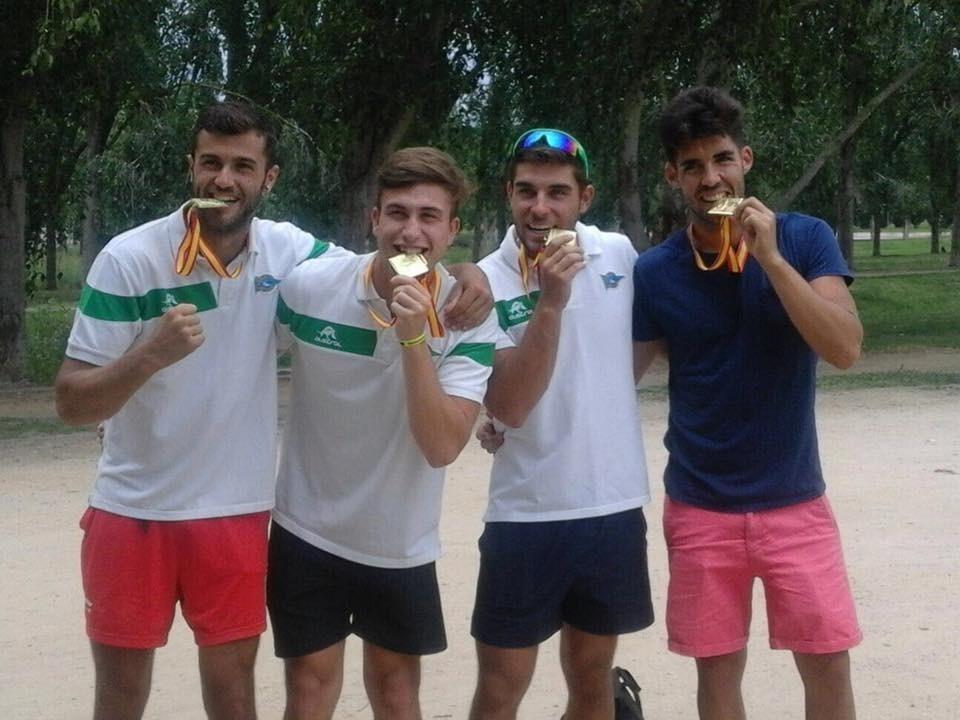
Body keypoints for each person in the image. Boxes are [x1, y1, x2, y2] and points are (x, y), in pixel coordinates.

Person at [54, 102, 490, 720]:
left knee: (235, 699)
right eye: (210, 162)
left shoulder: (288, 255)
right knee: (120, 697)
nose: (223, 180)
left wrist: (471, 273)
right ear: (191, 168)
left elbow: (390, 258)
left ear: (270, 178)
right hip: (133, 508)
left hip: (235, 511)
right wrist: (148, 356)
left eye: (242, 165)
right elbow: (71, 402)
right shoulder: (130, 258)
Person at [632, 86, 863, 720]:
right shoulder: (656, 272)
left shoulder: (805, 237)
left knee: (827, 664)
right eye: (694, 166)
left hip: (796, 502)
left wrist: (770, 257)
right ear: (672, 175)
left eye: (723, 159)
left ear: (747, 160)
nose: (712, 178)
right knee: (718, 675)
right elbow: (617, 377)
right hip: (701, 507)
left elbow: (844, 347)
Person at [266, 147, 502, 720]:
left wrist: (414, 336)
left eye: (429, 216)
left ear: (453, 230)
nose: (411, 232)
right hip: (306, 527)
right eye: (397, 213)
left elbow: (442, 445)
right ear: (374, 220)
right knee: (308, 689)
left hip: (399, 541)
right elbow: (233, 358)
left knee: (396, 693)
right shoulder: (310, 288)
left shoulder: (468, 314)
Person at [468, 129, 654, 720]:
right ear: (508, 195)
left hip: (611, 505)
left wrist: (606, 393)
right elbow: (512, 405)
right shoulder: (485, 279)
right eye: (526, 192)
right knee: (501, 689)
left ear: (585, 197)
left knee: (592, 680)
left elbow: (648, 338)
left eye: (557, 192)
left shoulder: (619, 254)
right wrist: (549, 300)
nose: (540, 207)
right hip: (527, 512)